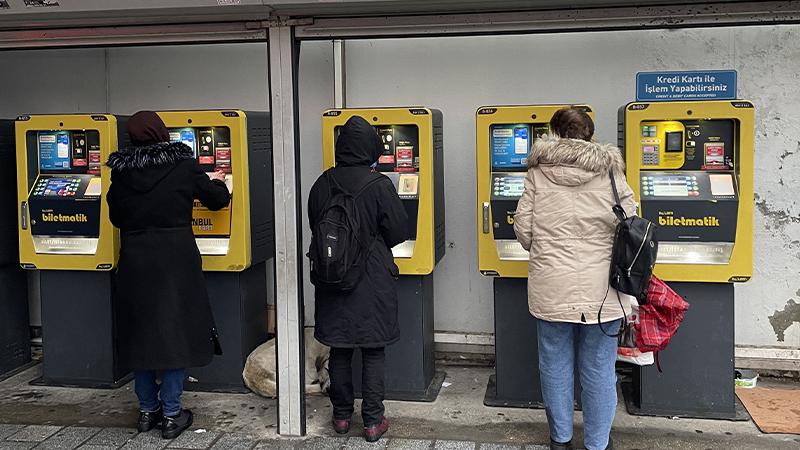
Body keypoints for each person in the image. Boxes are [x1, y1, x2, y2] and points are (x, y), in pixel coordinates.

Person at [513, 108, 637, 450]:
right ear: (590, 135)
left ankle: (561, 439)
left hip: (552, 285)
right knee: (599, 368)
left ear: (555, 133)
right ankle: (597, 443)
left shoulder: (537, 173)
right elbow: (631, 223)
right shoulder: (611, 171)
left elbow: (523, 231)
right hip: (604, 290)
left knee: (554, 363)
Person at [106, 111, 230, 439]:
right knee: (178, 331)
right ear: (161, 132)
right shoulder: (183, 165)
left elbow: (116, 217)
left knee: (141, 334)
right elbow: (217, 200)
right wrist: (221, 181)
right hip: (176, 260)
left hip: (136, 260)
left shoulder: (121, 172)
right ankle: (172, 414)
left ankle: (147, 411)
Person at [308, 115, 408, 443]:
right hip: (371, 280)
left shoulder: (322, 183)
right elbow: (397, 231)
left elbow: (316, 226)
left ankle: (340, 416)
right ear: (370, 149)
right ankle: (373, 421)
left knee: (339, 348)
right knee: (372, 349)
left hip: (332, 279)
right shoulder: (378, 184)